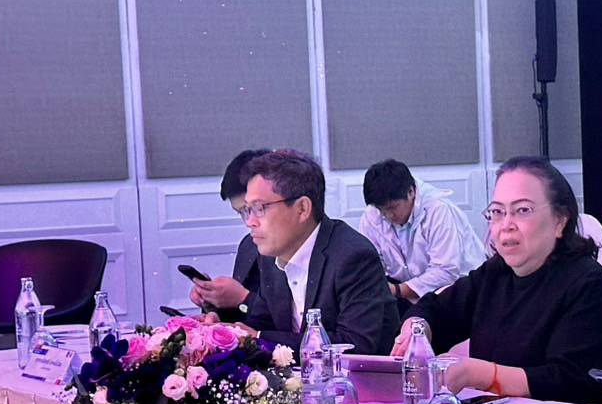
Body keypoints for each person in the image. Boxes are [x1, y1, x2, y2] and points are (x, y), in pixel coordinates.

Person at [394, 156, 602, 404]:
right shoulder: (496, 273)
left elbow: (572, 381)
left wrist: (479, 374)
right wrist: (416, 331)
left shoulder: (588, 284)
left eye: (522, 210)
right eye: (497, 212)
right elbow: (436, 310)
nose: (506, 225)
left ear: (560, 221)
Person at [239, 149, 398, 355]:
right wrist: (228, 330)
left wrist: (259, 338)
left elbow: (354, 345)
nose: (250, 221)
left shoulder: (353, 256)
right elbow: (262, 323)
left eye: (260, 208)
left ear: (302, 209)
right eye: (247, 210)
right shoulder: (270, 255)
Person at [357, 159, 486, 316]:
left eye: (393, 208)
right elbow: (368, 263)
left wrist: (397, 290)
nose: (388, 215)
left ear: (411, 192)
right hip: (407, 290)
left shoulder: (438, 210)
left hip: (458, 291)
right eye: (381, 210)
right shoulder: (373, 215)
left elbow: (446, 272)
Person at [188, 148, 269, 321]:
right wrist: (215, 304)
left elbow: (295, 325)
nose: (249, 222)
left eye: (255, 209)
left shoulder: (306, 250)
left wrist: (244, 298)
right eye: (242, 212)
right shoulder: (249, 245)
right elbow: (245, 314)